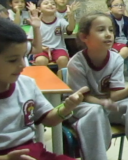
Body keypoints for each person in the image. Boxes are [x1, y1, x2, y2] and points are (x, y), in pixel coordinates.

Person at [67, 12, 128, 160]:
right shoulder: (76, 63)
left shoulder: (116, 59)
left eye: (111, 30)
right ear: (84, 37)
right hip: (83, 106)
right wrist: (102, 102)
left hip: (107, 105)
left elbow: (115, 96)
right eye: (101, 30)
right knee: (96, 111)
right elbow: (81, 97)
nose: (108, 34)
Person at [0, 17, 87, 160]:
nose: (22, 65)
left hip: (35, 153)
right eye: (12, 60)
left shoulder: (27, 84)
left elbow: (48, 120)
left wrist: (66, 107)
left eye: (24, 57)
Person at [29, 0, 75, 77]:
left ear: (56, 8)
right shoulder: (37, 22)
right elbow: (32, 41)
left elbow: (70, 29)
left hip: (58, 48)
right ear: (39, 9)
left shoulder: (60, 20)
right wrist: (43, 48)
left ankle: (63, 83)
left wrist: (70, 16)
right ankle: (42, 83)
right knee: (41, 60)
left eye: (53, 4)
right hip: (42, 49)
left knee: (63, 60)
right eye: (46, 3)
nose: (50, 5)